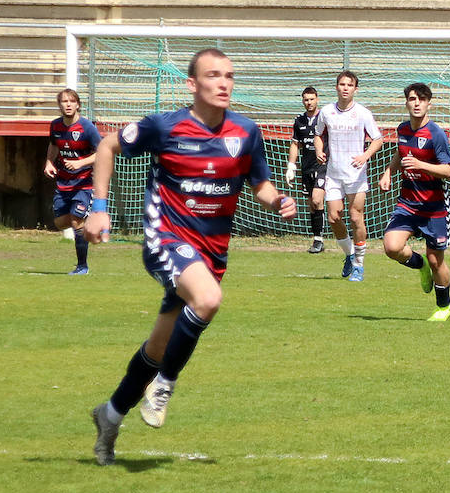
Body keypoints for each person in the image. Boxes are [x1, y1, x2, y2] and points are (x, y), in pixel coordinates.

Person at [83, 48, 297, 466]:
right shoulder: (165, 126)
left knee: (158, 347)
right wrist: (99, 206)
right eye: (214, 75)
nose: (224, 83)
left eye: (229, 76)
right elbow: (107, 146)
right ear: (192, 84)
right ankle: (164, 385)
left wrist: (279, 202)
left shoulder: (246, 132)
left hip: (212, 252)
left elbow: (262, 187)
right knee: (208, 300)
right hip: (165, 239)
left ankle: (109, 415)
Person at [378, 83, 450, 321]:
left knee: (436, 260)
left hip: (434, 207)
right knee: (391, 247)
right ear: (407, 102)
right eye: (412, 99)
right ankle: (418, 265)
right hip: (408, 202)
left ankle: (444, 307)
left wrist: (421, 165)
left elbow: (449, 170)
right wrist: (388, 172)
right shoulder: (402, 129)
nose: (417, 103)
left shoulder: (436, 134)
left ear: (429, 104)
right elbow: (400, 153)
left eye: (422, 100)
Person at [313, 70, 383, 281]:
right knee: (334, 217)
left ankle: (359, 265)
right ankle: (349, 254)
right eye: (342, 84)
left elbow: (378, 139)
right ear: (336, 87)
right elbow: (318, 134)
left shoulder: (363, 113)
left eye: (349, 85)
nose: (345, 88)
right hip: (334, 174)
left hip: (356, 174)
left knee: (355, 217)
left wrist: (365, 155)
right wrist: (319, 150)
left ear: (355, 89)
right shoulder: (325, 112)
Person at [43, 88, 102, 274]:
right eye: (64, 101)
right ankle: (87, 221)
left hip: (84, 183)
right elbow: (53, 144)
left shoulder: (87, 128)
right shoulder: (55, 126)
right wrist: (49, 162)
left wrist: (80, 163)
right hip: (63, 182)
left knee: (76, 221)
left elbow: (102, 152)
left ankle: (82, 266)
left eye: (71, 101)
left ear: (78, 105)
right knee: (60, 223)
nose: (67, 105)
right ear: (59, 105)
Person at [285, 86, 327, 254]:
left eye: (311, 99)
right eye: (306, 100)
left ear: (317, 99)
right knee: (311, 204)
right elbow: (295, 144)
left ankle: (319, 240)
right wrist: (291, 166)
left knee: (317, 200)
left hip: (323, 165)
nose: (309, 102)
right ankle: (318, 239)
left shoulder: (324, 118)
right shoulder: (299, 121)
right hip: (307, 166)